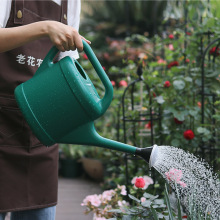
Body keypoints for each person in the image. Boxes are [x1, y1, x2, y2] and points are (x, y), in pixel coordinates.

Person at [0, 0, 90, 219]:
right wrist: (45, 28)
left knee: (41, 212)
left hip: (41, 130)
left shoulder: (71, 2)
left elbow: (65, 64)